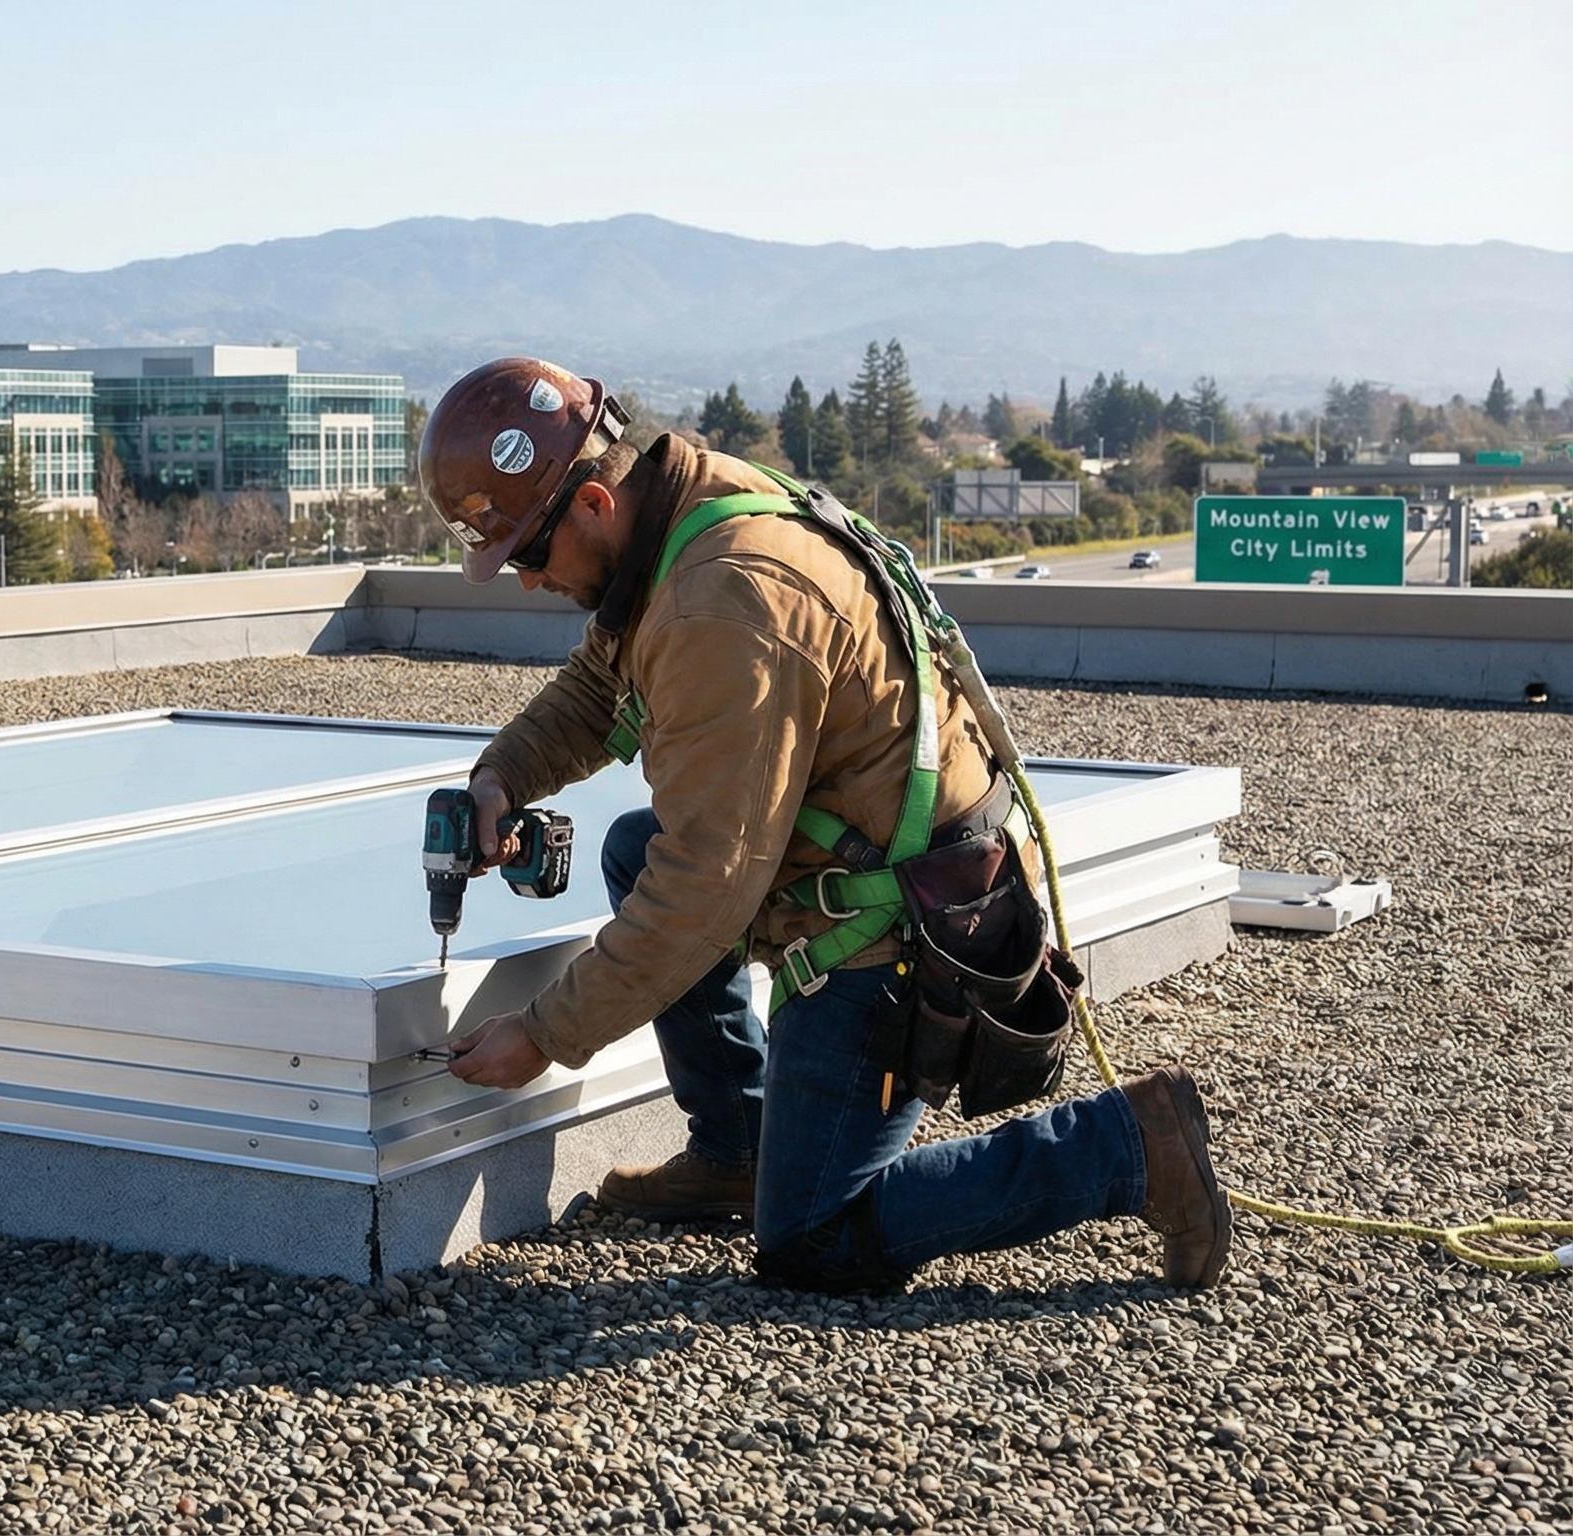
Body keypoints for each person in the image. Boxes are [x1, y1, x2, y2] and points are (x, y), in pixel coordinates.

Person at [420, 357, 1230, 1293]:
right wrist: (502, 776)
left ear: (597, 502)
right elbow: (604, 685)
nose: (525, 581)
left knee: (815, 1236)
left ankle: (1126, 1145)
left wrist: (545, 1033)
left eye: (527, 552)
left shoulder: (723, 602)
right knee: (633, 847)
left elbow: (704, 894)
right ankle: (740, 1146)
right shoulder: (685, 503)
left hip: (895, 927)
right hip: (873, 857)